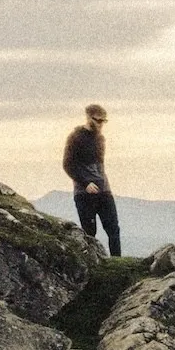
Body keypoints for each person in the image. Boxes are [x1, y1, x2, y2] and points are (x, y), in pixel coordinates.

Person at [61, 103, 121, 257]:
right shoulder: (75, 138)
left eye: (104, 121)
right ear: (88, 118)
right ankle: (94, 264)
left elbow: (99, 165)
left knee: (113, 228)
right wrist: (85, 183)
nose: (101, 124)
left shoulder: (101, 139)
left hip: (104, 190)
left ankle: (117, 262)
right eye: (97, 120)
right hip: (84, 193)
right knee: (89, 233)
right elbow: (67, 164)